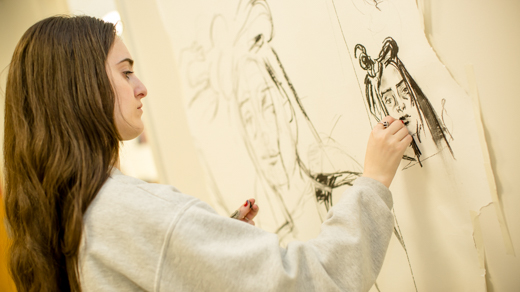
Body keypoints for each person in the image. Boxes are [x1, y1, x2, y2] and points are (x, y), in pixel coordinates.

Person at [4, 15, 411, 292]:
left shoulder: (70, 215)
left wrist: (202, 248)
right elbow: (307, 283)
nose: (141, 86)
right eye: (126, 72)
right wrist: (373, 184)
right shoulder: (129, 211)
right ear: (79, 88)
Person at [355, 37, 454, 167]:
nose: (400, 105)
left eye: (405, 91)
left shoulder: (444, 138)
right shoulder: (403, 166)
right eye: (389, 100)